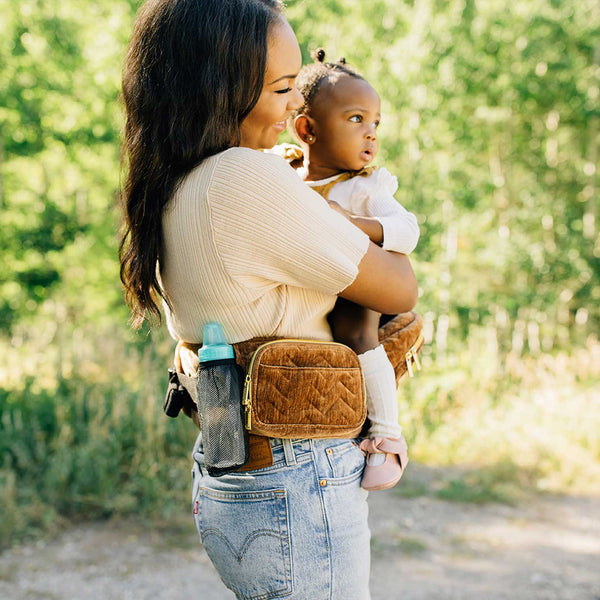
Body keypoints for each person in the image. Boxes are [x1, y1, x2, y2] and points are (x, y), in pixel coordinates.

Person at [119, 1, 417, 598]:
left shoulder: (179, 177)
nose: (292, 108)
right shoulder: (245, 177)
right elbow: (398, 286)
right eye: (282, 88)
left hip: (238, 466)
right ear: (219, 86)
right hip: (295, 469)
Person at [276, 49, 420, 491]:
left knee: (357, 335)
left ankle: (387, 436)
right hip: (309, 288)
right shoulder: (285, 176)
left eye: (375, 123)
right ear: (307, 130)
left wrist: (358, 225)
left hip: (357, 288)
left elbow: (408, 230)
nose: (371, 134)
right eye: (356, 119)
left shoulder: (364, 187)